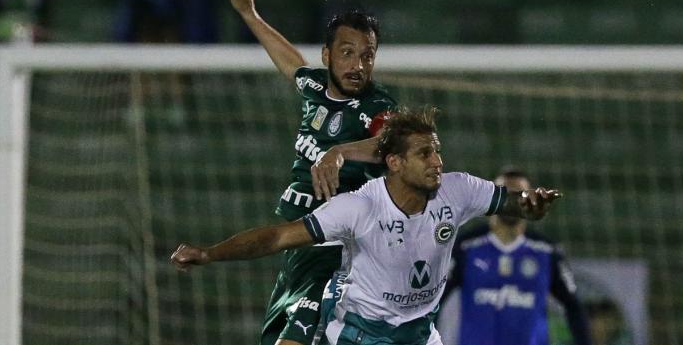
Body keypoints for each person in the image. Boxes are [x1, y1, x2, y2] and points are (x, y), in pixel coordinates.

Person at [171, 107, 562, 345]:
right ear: (395, 162)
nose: (437, 162)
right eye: (425, 154)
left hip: (420, 333)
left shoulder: (457, 190)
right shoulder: (360, 207)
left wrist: (532, 206)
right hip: (362, 333)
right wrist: (209, 254)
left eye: (438, 151)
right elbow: (277, 236)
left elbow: (516, 205)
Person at [224, 0, 398, 345]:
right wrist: (249, 13)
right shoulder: (315, 87)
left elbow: (391, 144)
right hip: (298, 250)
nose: (358, 65)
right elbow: (291, 65)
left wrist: (340, 152)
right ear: (327, 56)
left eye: (368, 55)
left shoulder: (377, 105)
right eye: (348, 53)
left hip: (338, 251)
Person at [441, 168, 591, 345]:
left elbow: (573, 306)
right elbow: (435, 300)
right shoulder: (465, 247)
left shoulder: (547, 251)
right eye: (505, 194)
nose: (512, 201)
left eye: (521, 194)